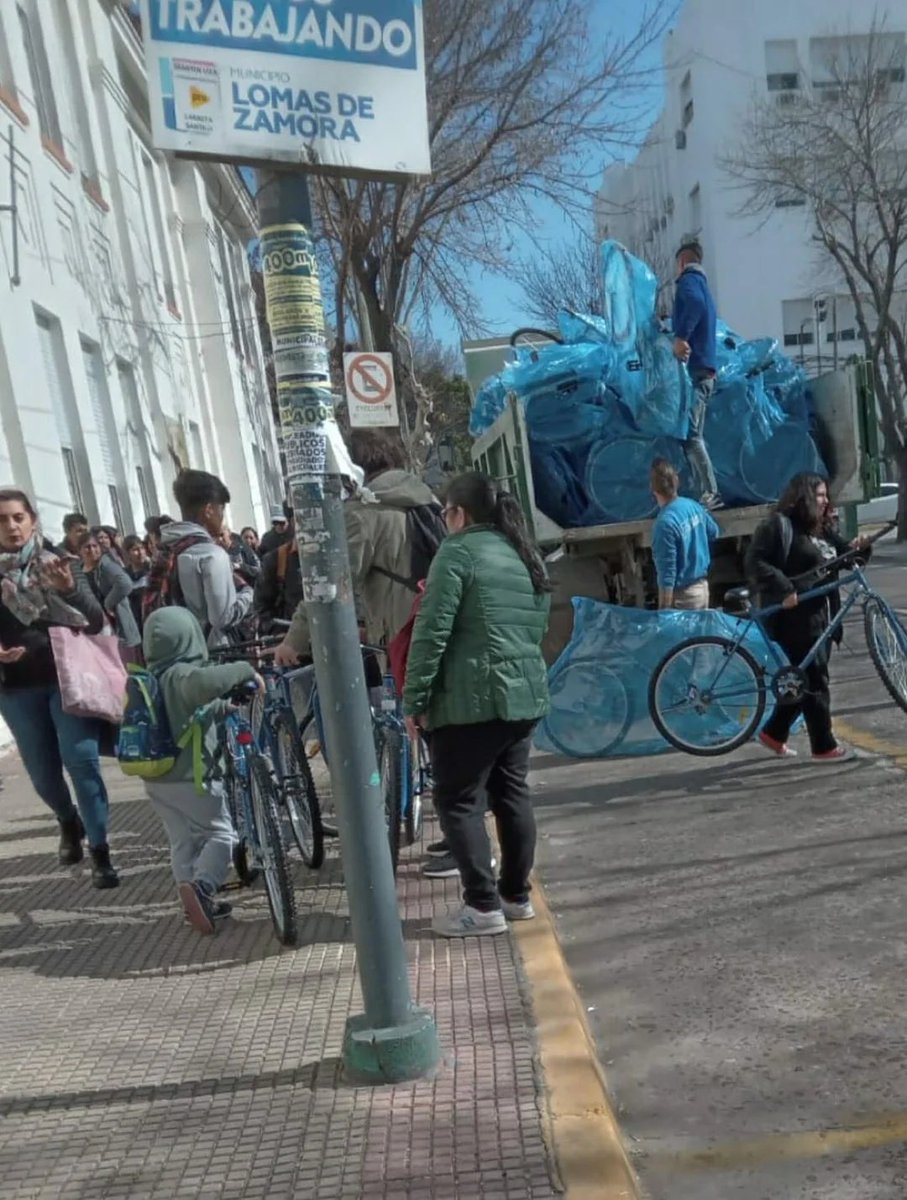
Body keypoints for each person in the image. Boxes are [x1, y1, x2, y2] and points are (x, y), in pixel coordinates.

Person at [403, 472, 551, 938]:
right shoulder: (522, 552)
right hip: (523, 695)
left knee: (459, 799)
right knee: (511, 794)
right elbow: (536, 625)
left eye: (445, 512)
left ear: (459, 514)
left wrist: (415, 698)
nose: (445, 521)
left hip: (471, 700)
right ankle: (515, 896)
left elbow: (432, 631)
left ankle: (482, 906)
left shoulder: (458, 551)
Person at [0, 488, 118, 887]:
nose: (11, 527)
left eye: (18, 517)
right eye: (2, 520)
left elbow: (96, 620)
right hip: (15, 689)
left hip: (68, 681)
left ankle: (101, 852)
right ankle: (68, 820)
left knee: (81, 762)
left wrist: (69, 589)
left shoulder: (60, 562)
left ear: (32, 519)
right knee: (42, 775)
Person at [274, 431, 442, 666]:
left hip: (404, 636)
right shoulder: (427, 498)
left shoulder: (362, 513)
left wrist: (294, 640)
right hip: (441, 621)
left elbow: (331, 584)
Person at [142, 607, 262, 933]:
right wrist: (245, 668)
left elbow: (194, 714)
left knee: (182, 841)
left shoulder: (151, 679)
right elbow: (209, 683)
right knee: (221, 834)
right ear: (189, 637)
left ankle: (190, 899)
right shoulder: (182, 674)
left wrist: (223, 708)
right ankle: (204, 887)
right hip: (193, 778)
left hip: (157, 779)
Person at [745, 472, 865, 763]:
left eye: (826, 496)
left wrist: (862, 547)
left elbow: (846, 557)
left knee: (802, 678)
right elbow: (754, 561)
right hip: (794, 617)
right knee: (815, 679)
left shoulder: (821, 529)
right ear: (805, 497)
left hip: (821, 614)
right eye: (820, 496)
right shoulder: (779, 525)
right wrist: (784, 588)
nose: (826, 501)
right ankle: (824, 747)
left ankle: (774, 733)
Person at [156, 470, 253, 647]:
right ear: (208, 510)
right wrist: (247, 593)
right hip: (210, 654)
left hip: (176, 651)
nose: (222, 518)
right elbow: (222, 618)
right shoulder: (212, 555)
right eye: (221, 509)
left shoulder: (166, 551)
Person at [672, 240, 720, 509]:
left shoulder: (689, 282)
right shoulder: (702, 284)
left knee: (692, 434)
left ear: (682, 263)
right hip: (705, 370)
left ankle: (712, 492)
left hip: (698, 371)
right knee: (689, 434)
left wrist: (681, 337)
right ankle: (700, 491)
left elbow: (693, 304)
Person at [650, 459, 719, 610]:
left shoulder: (664, 524)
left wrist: (665, 611)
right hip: (701, 590)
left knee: (685, 635)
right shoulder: (693, 506)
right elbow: (714, 532)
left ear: (654, 490)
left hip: (683, 598)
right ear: (676, 483)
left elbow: (667, 574)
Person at [78, 531, 141, 650]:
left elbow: (125, 584)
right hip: (96, 626)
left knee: (126, 664)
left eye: (95, 546)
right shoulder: (79, 570)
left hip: (117, 624)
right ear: (79, 551)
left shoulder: (106, 566)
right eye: (87, 547)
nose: (92, 550)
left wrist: (108, 603)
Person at [255, 535, 301, 631]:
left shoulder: (337, 554)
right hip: (291, 636)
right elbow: (262, 607)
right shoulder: (277, 559)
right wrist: (278, 632)